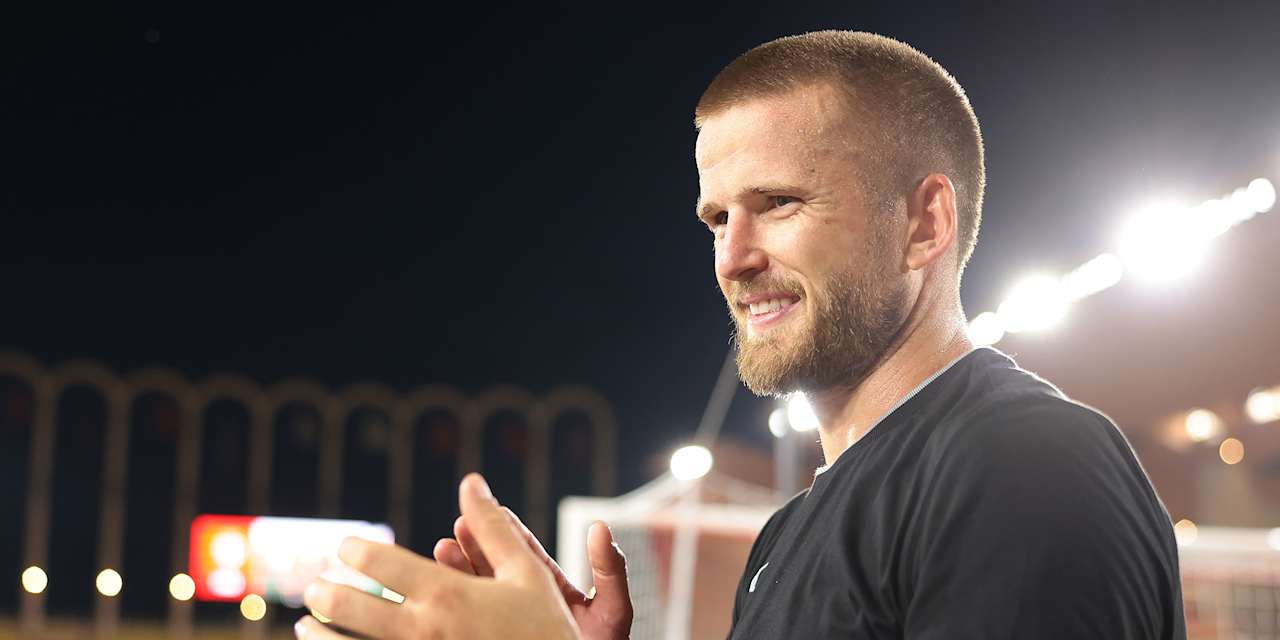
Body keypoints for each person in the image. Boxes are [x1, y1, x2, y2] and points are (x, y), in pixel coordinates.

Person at [293, 30, 1186, 639]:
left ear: (925, 224)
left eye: (780, 203)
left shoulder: (1021, 461)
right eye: (717, 218)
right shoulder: (791, 531)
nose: (732, 257)